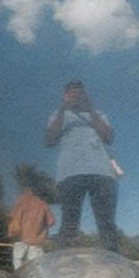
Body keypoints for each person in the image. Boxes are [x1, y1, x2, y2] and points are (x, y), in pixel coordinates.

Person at [44, 83, 121, 245]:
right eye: (72, 94)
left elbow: (108, 138)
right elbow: (50, 139)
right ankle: (64, 266)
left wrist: (91, 108)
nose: (76, 97)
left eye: (80, 94)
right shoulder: (58, 116)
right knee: (69, 224)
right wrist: (62, 109)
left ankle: (112, 261)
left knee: (107, 224)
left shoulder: (98, 114)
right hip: (70, 173)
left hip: (102, 173)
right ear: (64, 96)